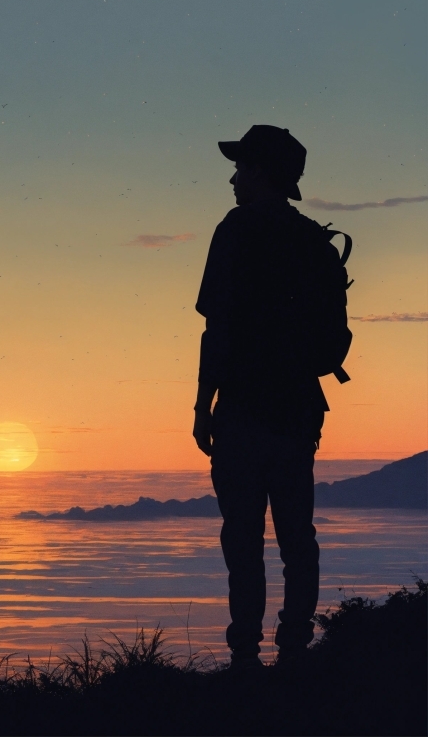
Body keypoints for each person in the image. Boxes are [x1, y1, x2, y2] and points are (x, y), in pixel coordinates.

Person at [193, 125, 334, 673]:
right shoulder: (310, 238)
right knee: (298, 536)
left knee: (243, 540)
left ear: (259, 172)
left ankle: (245, 659)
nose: (232, 177)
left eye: (240, 167)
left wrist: (202, 405)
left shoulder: (235, 230)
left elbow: (217, 330)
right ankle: (295, 648)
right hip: (298, 410)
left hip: (245, 410)